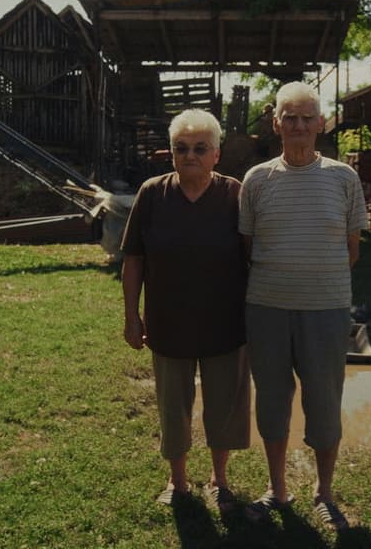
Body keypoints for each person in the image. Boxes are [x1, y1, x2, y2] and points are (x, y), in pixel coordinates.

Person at [238, 81, 368, 530]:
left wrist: (316, 280)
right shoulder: (257, 180)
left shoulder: (344, 178)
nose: (298, 125)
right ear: (275, 123)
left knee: (325, 402)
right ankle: (277, 489)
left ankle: (324, 492)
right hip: (267, 309)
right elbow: (248, 246)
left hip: (326, 310)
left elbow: (352, 249)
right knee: (272, 402)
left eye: (307, 117)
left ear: (322, 123)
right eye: (289, 117)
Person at [121, 109, 250, 511]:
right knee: (172, 407)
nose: (190, 155)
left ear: (216, 154)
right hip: (168, 322)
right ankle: (177, 480)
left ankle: (219, 479)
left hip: (225, 323)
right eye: (181, 148)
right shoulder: (152, 194)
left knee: (224, 406)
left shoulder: (235, 194)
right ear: (172, 153)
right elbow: (134, 259)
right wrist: (131, 316)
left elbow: (254, 258)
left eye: (200, 148)